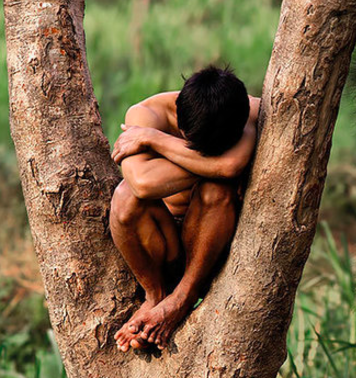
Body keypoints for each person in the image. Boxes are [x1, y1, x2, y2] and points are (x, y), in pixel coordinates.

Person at [109, 66, 259, 352]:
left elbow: (230, 167)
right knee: (125, 195)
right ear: (180, 124)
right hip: (159, 246)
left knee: (217, 188)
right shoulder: (145, 115)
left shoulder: (248, 111)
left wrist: (154, 140)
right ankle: (156, 297)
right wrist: (214, 166)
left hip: (210, 249)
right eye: (195, 145)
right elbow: (142, 184)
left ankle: (181, 299)